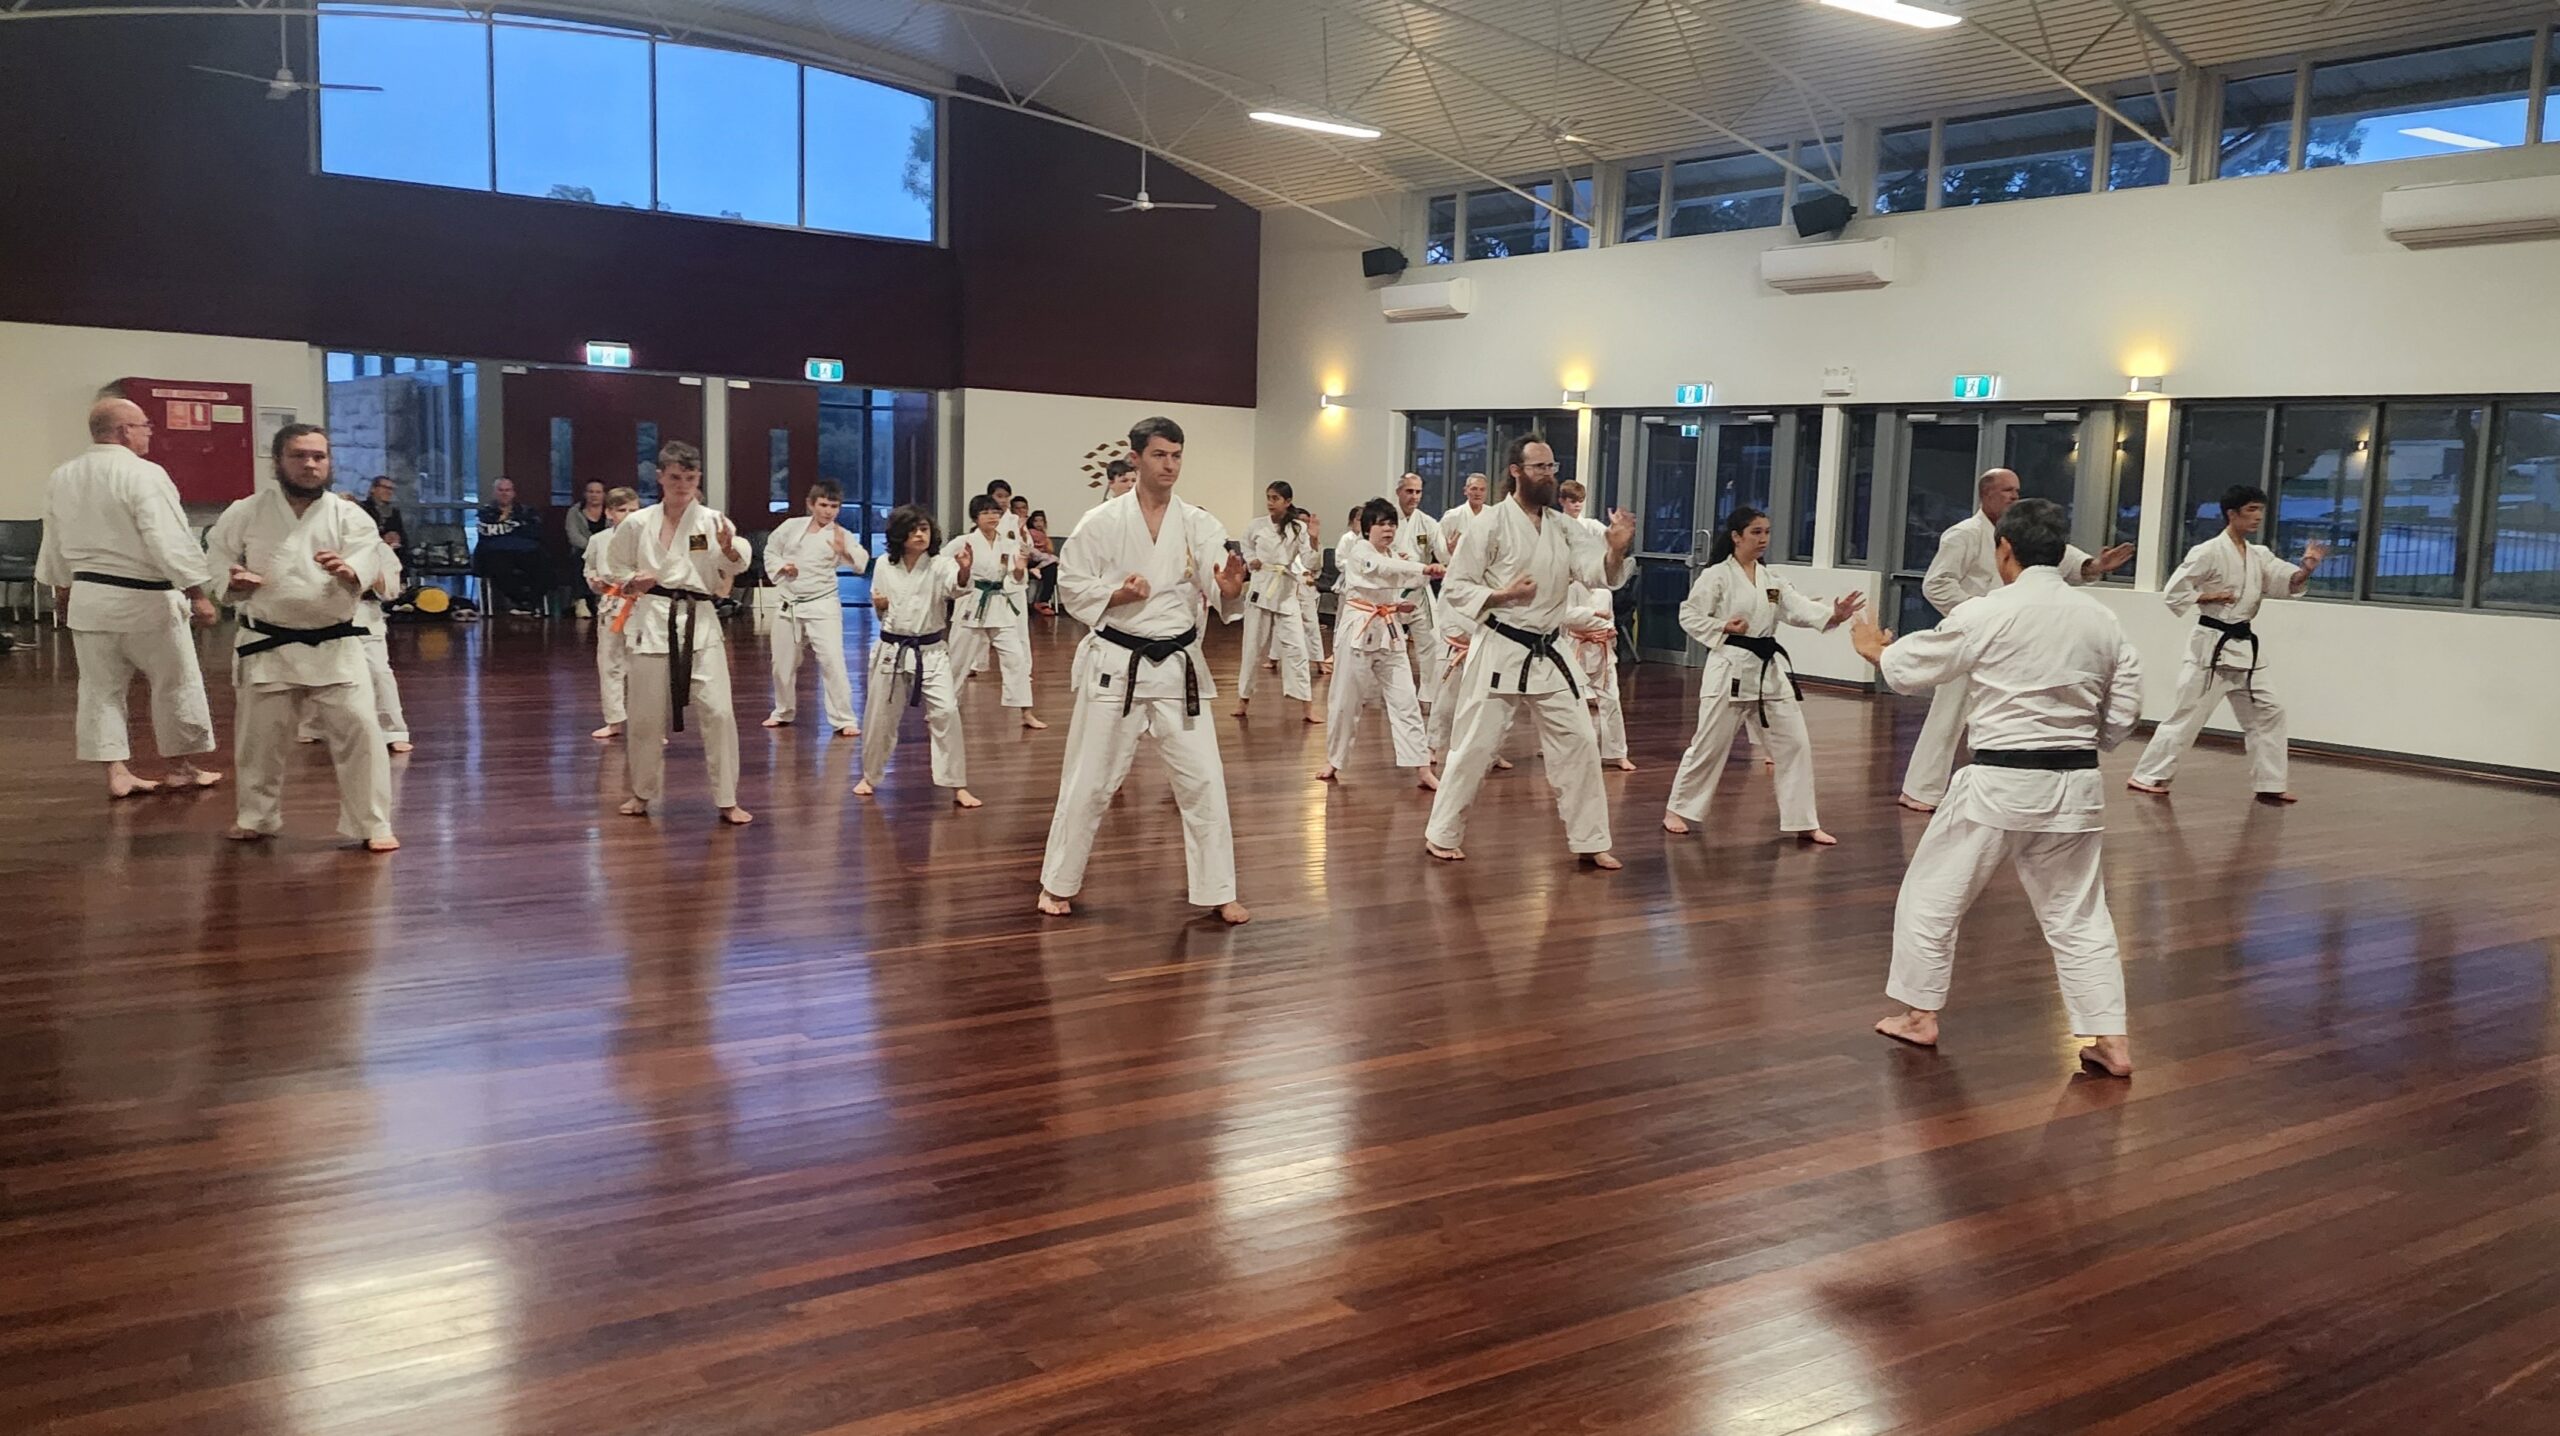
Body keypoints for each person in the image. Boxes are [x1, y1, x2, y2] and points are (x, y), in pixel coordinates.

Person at [1851, 499, 2143, 1078]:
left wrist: (1876, 650)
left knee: (1931, 897)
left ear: (2003, 550)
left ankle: (1918, 1015)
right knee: (2080, 915)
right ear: (2061, 553)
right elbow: (2125, 712)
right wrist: (2089, 739)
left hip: (2000, 783)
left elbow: (1916, 667)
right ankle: (2111, 1040)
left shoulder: (1991, 611)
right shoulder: (2101, 620)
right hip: (2077, 784)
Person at [1038, 416, 1251, 923]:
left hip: (1178, 665)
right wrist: (1118, 594)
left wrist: (1231, 588)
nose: (1170, 465)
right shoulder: (1102, 522)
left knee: (1203, 780)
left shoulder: (1199, 523)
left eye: (1177, 455)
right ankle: (1057, 882)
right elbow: (1070, 587)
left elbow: (1219, 579)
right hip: (1117, 662)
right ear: (1136, 459)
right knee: (1091, 780)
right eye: (1160, 455)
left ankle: (1219, 888)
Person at [1423, 437, 1635, 867]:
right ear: (1516, 471)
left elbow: (1596, 573)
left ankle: (1591, 840)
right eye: (1539, 467)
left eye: (1551, 466)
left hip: (1550, 650)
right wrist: (1501, 595)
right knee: (1475, 748)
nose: (1548, 474)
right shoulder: (1491, 524)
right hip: (1500, 645)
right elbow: (1457, 587)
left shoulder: (1562, 525)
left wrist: (1615, 548)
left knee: (1578, 743)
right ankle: (1441, 833)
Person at [209, 425, 400, 851]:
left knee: (361, 734)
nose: (310, 465)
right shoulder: (246, 511)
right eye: (299, 456)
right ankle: (256, 816)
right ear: (277, 461)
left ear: (329, 463)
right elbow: (217, 556)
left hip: (335, 643)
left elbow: (369, 562)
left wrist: (351, 572)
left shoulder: (350, 516)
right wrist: (233, 580)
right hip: (268, 642)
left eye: (319, 456)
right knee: (260, 740)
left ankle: (371, 823)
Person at [1898, 468, 2133, 812]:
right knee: (1948, 715)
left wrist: (2095, 565)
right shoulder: (1962, 534)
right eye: (2007, 490)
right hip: (1975, 633)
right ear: (1986, 494)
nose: (2013, 496)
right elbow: (1936, 584)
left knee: (2006, 715)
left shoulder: (2024, 534)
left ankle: (1996, 785)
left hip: (2014, 637)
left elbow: (2064, 562)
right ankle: (1921, 790)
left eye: (2017, 490)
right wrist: (1979, 613)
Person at [36, 397, 223, 797]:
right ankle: (181, 767)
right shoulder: (144, 474)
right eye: (145, 426)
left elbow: (54, 539)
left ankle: (117, 773)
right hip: (146, 601)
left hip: (90, 598)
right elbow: (167, 538)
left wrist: (62, 586)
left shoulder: (63, 475)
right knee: (175, 683)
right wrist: (197, 592)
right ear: (124, 431)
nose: (149, 433)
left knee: (100, 689)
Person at [1662, 507, 1865, 846]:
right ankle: (1677, 809)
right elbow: (1689, 614)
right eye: (1756, 532)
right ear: (1736, 536)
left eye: (1767, 532)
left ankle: (1803, 820)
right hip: (1730, 666)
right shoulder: (1716, 576)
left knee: (1796, 743)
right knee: (1709, 746)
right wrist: (1720, 626)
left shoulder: (1771, 580)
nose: (1763, 539)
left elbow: (1799, 609)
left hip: (1768, 669)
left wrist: (1835, 614)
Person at [2128, 484, 2326, 804]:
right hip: (2212, 645)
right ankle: (2148, 775)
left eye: (2260, 510)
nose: (2258, 516)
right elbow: (2174, 593)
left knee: (2269, 712)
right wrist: (2210, 595)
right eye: (2250, 510)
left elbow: (2286, 582)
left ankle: (2270, 782)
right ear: (2231, 514)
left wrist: (2305, 569)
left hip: (2245, 649)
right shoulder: (2207, 551)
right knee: (2189, 714)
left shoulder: (2259, 555)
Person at [601, 442, 752, 825]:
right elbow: (613, 567)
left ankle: (727, 798)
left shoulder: (713, 522)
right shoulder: (638, 523)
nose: (682, 485)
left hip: (699, 620)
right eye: (674, 478)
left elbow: (732, 564)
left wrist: (729, 550)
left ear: (698, 478)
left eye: (689, 478)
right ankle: (641, 792)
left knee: (719, 712)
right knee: (646, 716)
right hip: (651, 619)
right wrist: (634, 580)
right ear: (660, 477)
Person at [855, 503, 980, 807]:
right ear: (900, 534)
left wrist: (964, 570)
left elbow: (956, 588)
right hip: (892, 650)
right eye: (913, 530)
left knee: (947, 712)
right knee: (880, 718)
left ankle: (956, 784)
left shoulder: (940, 564)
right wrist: (881, 606)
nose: (920, 535)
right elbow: (879, 607)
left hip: (931, 650)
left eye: (924, 529)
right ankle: (870, 775)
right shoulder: (884, 564)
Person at [1319, 498, 1443, 786]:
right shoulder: (1360, 551)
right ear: (1367, 529)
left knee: (1406, 700)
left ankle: (1422, 767)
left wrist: (1401, 601)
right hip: (1357, 631)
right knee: (1345, 702)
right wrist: (1423, 569)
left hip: (1389, 631)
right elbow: (1381, 570)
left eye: (1392, 524)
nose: (1388, 529)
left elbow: (1402, 577)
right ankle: (1334, 761)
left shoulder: (1396, 553)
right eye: (1381, 524)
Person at [762, 479, 868, 738]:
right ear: (811, 504)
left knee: (832, 661)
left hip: (823, 603)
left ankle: (843, 718)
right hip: (790, 603)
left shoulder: (841, 535)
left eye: (834, 506)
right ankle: (783, 710)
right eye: (823, 505)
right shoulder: (790, 527)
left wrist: (846, 553)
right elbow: (771, 551)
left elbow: (861, 564)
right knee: (782, 664)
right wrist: (782, 568)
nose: (828, 511)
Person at [945, 493, 1043, 730]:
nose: (992, 516)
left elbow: (1016, 578)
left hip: (1000, 603)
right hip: (972, 602)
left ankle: (1026, 711)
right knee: (958, 660)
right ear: (975, 517)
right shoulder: (963, 541)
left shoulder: (1008, 542)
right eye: (986, 512)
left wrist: (1020, 570)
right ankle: (946, 706)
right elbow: (943, 566)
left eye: (995, 512)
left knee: (1016, 660)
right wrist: (961, 571)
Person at [1234, 480, 1320, 723]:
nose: (1270, 502)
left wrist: (1314, 539)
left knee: (1297, 649)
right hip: (1261, 588)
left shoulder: (1298, 529)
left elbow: (1311, 563)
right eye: (1268, 497)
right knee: (1251, 648)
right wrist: (1252, 560)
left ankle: (1307, 706)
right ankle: (1243, 699)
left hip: (1286, 591)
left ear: (1287, 501)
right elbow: (1246, 546)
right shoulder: (1256, 526)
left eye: (1275, 498)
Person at [584, 486, 640, 741]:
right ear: (609, 512)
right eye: (621, 510)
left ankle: (648, 725)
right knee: (610, 664)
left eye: (633, 510)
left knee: (644, 667)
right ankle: (614, 720)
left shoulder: (649, 538)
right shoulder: (599, 540)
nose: (628, 515)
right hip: (611, 604)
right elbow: (589, 568)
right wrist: (594, 581)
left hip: (642, 606)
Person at [1390, 473, 1450, 708]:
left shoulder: (1428, 523)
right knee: (1384, 646)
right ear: (1399, 492)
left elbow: (1443, 555)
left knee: (1431, 643)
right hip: (1391, 591)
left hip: (1419, 591)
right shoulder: (1385, 519)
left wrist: (1448, 555)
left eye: (1418, 492)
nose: (1414, 496)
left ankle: (1427, 695)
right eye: (1409, 491)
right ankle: (1376, 691)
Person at [473, 476, 547, 616]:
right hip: (494, 555)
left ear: (513, 493)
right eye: (500, 490)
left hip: (524, 553)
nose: (504, 493)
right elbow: (486, 533)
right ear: (494, 493)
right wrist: (516, 529)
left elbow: (534, 533)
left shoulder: (526, 511)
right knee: (499, 565)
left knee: (541, 560)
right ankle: (520, 601)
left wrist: (505, 530)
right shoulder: (485, 512)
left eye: (508, 490)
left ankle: (532, 602)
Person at [564, 479, 608, 616]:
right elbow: (573, 536)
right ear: (585, 494)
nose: (594, 495)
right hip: (583, 549)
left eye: (598, 492)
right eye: (590, 491)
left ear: (604, 495)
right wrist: (593, 549)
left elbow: (615, 533)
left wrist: (600, 549)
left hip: (607, 550)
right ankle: (580, 600)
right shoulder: (575, 512)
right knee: (579, 558)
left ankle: (602, 598)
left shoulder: (611, 512)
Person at [1438, 471, 1491, 556]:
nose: (1478, 493)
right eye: (1474, 489)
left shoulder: (1494, 515)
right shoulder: (1452, 516)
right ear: (1465, 491)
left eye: (1482, 490)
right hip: (1457, 565)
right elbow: (1439, 545)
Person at [360, 474, 407, 556]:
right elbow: (359, 536)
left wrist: (398, 538)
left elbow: (404, 538)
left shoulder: (394, 512)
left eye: (391, 489)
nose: (389, 492)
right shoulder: (361, 509)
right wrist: (382, 539)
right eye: (385, 487)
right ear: (373, 489)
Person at [1027, 509, 1059, 615]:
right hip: (1028, 559)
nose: (1039, 524)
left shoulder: (1044, 535)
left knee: (1052, 566)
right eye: (1036, 521)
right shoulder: (1029, 532)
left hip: (1040, 560)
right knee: (1052, 560)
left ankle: (1043, 601)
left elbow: (1050, 549)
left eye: (1041, 521)